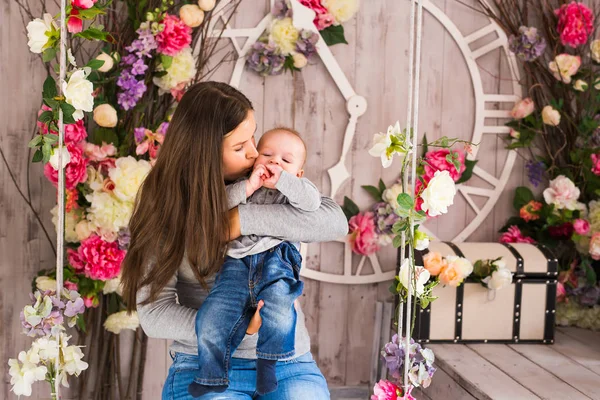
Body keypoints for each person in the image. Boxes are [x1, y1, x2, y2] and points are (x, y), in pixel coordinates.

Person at [121, 81, 349, 400]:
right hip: (203, 362)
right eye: (240, 147)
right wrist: (236, 328)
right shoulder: (166, 204)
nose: (256, 153)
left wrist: (241, 220)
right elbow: (154, 315)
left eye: (252, 137)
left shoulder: (266, 180)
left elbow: (334, 221)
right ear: (204, 153)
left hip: (287, 362)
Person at [190, 127, 324, 397]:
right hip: (236, 264)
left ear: (298, 173)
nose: (275, 162)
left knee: (281, 316)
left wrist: (285, 182)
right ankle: (211, 374)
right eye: (267, 154)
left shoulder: (297, 191)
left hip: (278, 261)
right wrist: (249, 185)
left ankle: (268, 365)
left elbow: (313, 203)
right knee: (211, 316)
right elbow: (216, 207)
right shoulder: (242, 186)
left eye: (286, 161)